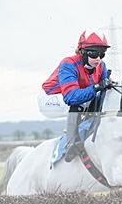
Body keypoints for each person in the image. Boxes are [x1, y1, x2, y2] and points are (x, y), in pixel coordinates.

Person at [42, 31, 113, 162]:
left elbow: (105, 90)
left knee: (100, 99)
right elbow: (70, 97)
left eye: (101, 54)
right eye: (94, 54)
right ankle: (71, 144)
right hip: (51, 97)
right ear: (82, 53)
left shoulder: (101, 65)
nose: (98, 58)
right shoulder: (68, 63)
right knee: (79, 102)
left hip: (76, 93)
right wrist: (97, 87)